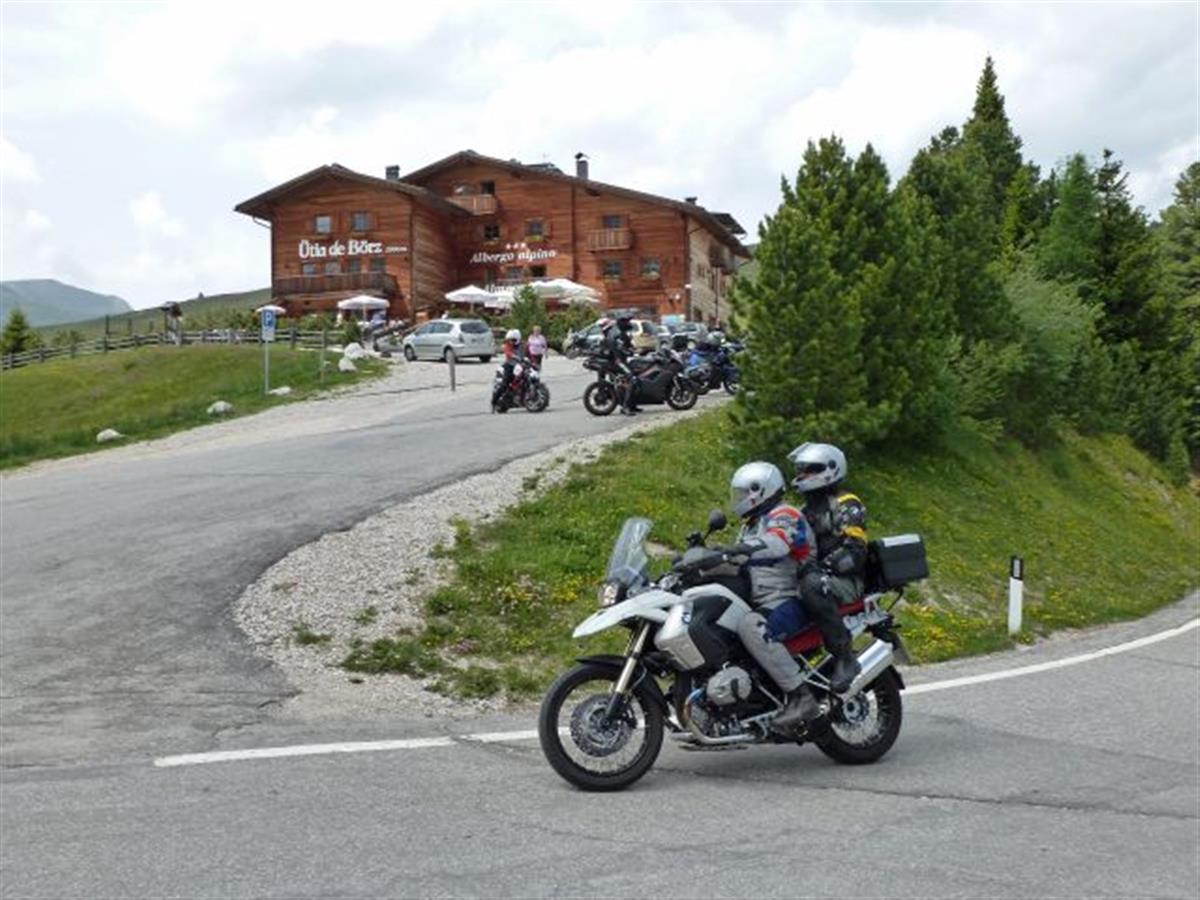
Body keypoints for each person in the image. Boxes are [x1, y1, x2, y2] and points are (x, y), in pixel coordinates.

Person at [727, 461, 822, 730]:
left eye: (743, 493)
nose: (739, 499)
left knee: (752, 627)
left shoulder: (784, 514)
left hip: (793, 597)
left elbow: (777, 543)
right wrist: (697, 561)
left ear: (760, 490)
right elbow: (738, 561)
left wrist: (734, 551)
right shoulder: (751, 525)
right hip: (764, 600)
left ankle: (802, 697)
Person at [787, 442, 866, 694]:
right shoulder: (806, 510)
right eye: (801, 470)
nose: (802, 476)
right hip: (815, 578)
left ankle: (845, 656)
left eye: (810, 470)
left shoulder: (846, 503)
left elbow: (855, 551)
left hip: (846, 582)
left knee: (812, 585)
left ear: (830, 469)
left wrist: (820, 568)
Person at [599, 315, 640, 415]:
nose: (628, 323)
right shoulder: (614, 335)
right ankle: (625, 407)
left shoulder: (617, 334)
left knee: (634, 377)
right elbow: (618, 349)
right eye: (626, 322)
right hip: (618, 362)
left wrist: (635, 350)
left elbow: (628, 346)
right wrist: (626, 353)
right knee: (632, 379)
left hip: (618, 361)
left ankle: (632, 405)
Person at [492, 328, 523, 412]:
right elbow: (507, 352)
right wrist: (514, 356)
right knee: (504, 384)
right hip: (510, 365)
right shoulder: (507, 345)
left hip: (519, 365)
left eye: (513, 340)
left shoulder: (521, 345)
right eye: (510, 340)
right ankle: (494, 402)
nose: (511, 341)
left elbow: (526, 353)